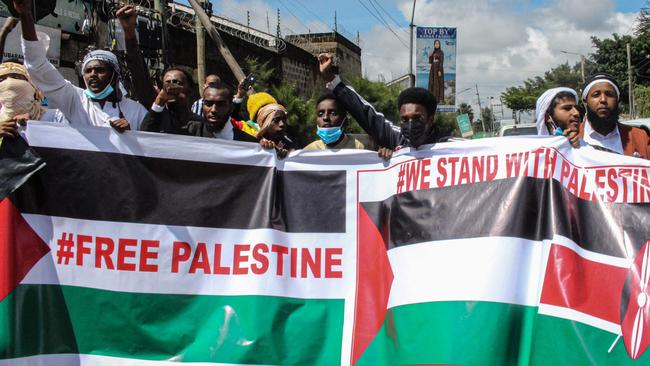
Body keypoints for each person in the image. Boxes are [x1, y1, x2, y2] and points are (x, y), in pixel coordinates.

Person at [15, 0, 146, 132]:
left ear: (114, 74)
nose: (93, 74)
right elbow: (37, 66)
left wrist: (131, 135)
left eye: (100, 70)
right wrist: (26, 15)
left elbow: (152, 144)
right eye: (88, 71)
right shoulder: (74, 100)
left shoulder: (136, 111)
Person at [319, 52, 438, 159]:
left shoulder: (447, 147)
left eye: (418, 118)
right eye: (405, 119)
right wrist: (331, 79)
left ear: (430, 120)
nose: (410, 125)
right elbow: (365, 113)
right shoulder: (396, 139)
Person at [579, 73, 650, 158]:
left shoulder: (640, 138)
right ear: (585, 100)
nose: (603, 100)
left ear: (617, 100)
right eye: (596, 95)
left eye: (609, 94)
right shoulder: (570, 138)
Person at [0, 62, 68, 138]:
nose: (9, 82)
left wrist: (34, 126)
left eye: (16, 77)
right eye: (1, 80)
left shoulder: (56, 117)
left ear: (31, 84)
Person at [185, 82, 258, 141]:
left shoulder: (247, 143)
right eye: (208, 103)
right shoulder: (189, 131)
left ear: (231, 107)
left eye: (221, 104)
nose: (213, 110)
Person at [140, 67, 201, 134]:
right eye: (167, 84)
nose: (171, 87)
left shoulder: (199, 123)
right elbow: (144, 136)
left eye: (178, 83)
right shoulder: (156, 119)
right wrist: (159, 101)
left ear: (189, 90)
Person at [247, 92, 293, 158]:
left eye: (284, 120)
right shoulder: (246, 137)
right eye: (276, 120)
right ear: (263, 123)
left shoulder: (288, 145)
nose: (282, 124)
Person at [428, 39, 444, 103]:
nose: (437, 45)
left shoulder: (441, 52)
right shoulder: (433, 52)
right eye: (436, 44)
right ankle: (432, 98)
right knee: (432, 82)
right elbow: (430, 62)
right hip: (433, 69)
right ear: (434, 45)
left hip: (438, 69)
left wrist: (439, 70)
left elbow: (441, 62)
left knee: (437, 83)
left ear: (439, 45)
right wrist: (430, 56)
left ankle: (438, 98)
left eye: (438, 44)